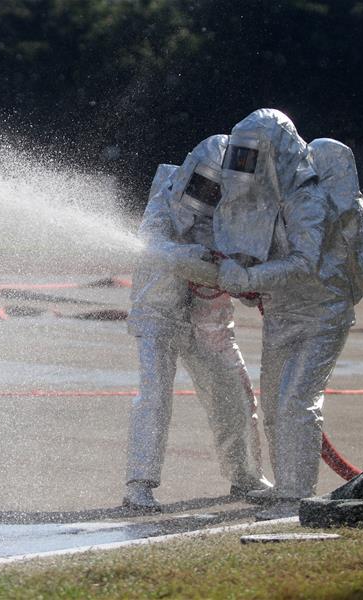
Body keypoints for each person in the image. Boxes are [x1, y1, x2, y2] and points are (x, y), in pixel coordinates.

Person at [214, 109, 363, 520]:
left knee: (297, 401)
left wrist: (249, 274)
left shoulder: (307, 199)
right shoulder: (264, 203)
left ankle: (297, 495)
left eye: (252, 156)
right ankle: (287, 486)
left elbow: (304, 263)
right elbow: (263, 261)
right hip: (282, 313)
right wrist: (247, 284)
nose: (244, 168)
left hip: (321, 314)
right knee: (276, 401)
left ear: (275, 152)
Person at [124, 134, 269, 511]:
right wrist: (191, 256)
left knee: (234, 397)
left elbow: (247, 265)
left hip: (211, 320)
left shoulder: (236, 216)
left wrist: (246, 278)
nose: (209, 195)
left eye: (218, 189)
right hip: (159, 312)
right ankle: (139, 484)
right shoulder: (165, 195)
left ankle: (245, 474)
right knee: (154, 398)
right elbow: (152, 244)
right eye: (205, 185)